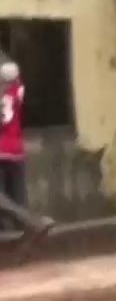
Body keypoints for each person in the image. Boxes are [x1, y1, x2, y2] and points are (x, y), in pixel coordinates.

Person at [0, 59, 52, 243]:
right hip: (14, 150)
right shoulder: (17, 90)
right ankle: (29, 225)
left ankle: (31, 224)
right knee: (16, 196)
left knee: (4, 200)